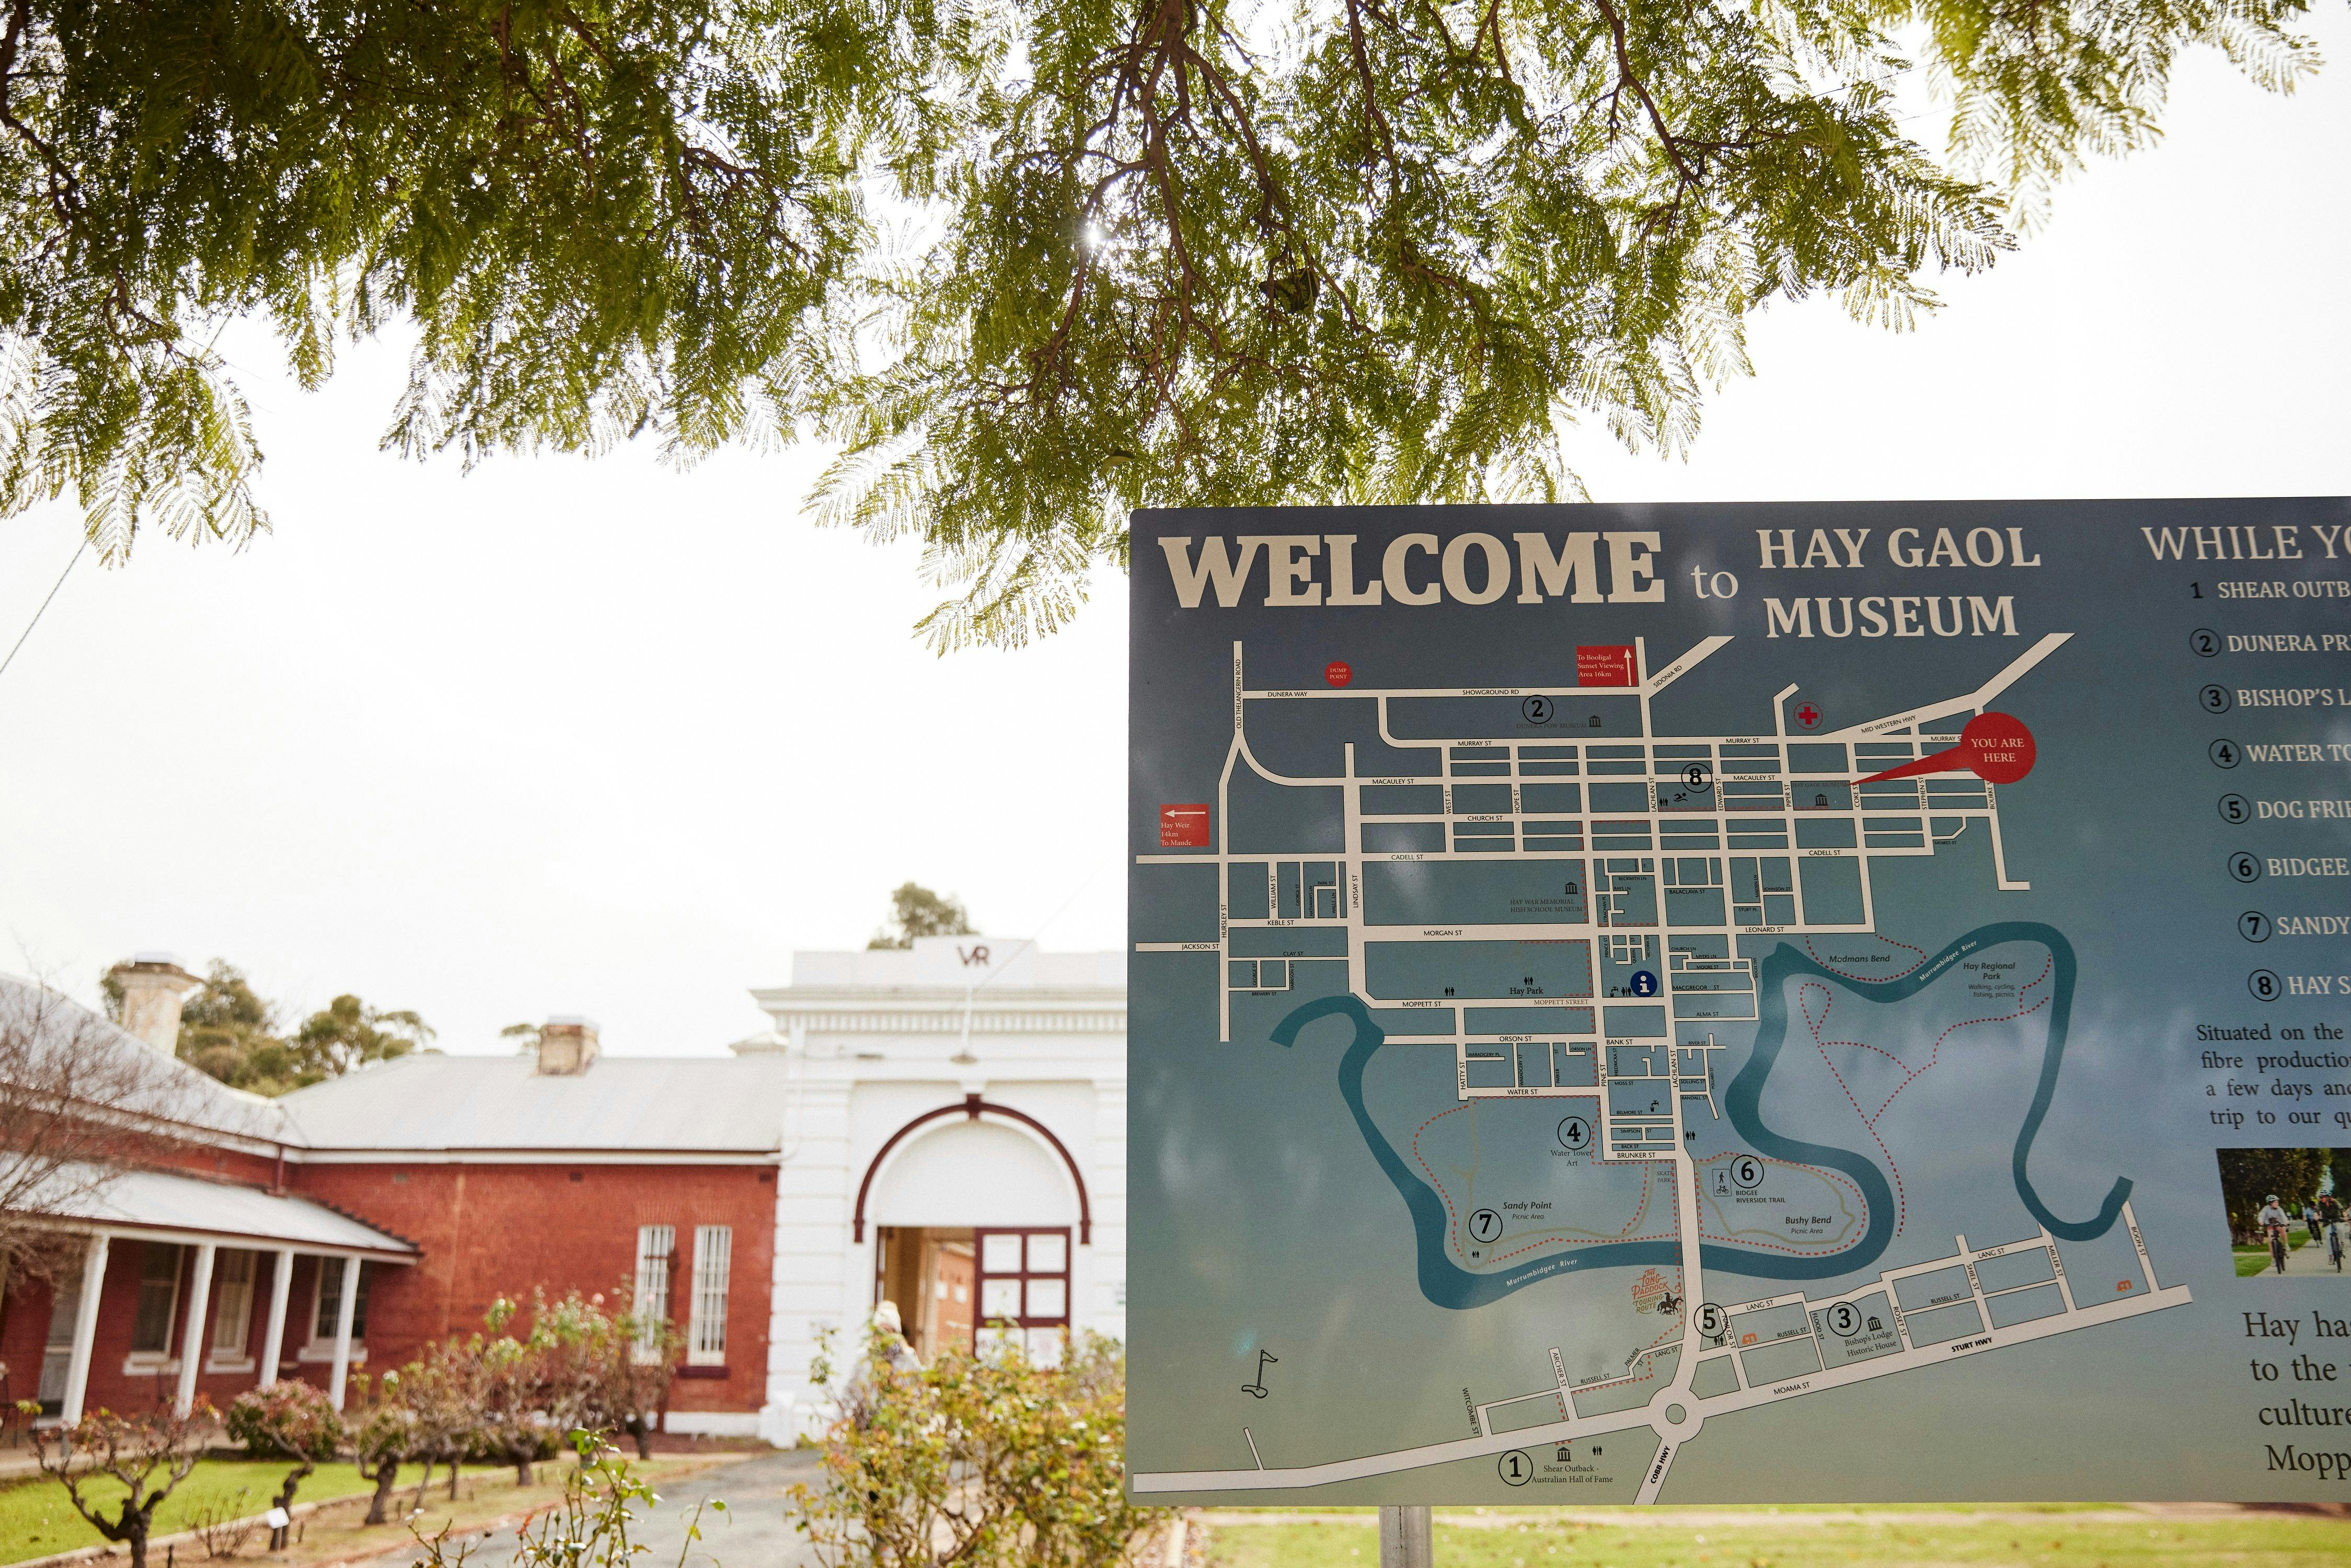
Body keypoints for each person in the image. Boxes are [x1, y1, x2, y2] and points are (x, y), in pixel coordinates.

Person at [2258, 1195, 2292, 1273]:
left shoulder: (2279, 1209)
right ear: (2270, 1203)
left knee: (2283, 1229)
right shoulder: (2266, 1209)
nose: (2277, 1203)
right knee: (2270, 1241)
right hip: (2270, 1226)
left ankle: (2287, 1245)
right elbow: (2261, 1216)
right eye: (2275, 1202)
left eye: (2277, 1202)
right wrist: (2261, 1221)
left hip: (2278, 1225)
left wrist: (2286, 1223)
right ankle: (2273, 1259)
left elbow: (2284, 1217)